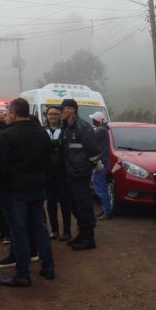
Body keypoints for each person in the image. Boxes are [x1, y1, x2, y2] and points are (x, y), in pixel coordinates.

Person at [0, 98, 55, 286]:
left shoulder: (8, 135)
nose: (7, 116)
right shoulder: (42, 133)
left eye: (8, 113)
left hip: (16, 191)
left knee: (19, 232)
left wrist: (0, 190)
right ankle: (48, 267)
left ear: (14, 113)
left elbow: (1, 168)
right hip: (37, 189)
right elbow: (48, 163)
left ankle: (22, 274)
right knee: (40, 228)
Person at [59, 98, 103, 251]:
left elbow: (92, 150)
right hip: (70, 173)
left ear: (71, 110)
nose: (60, 112)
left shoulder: (83, 127)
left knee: (84, 206)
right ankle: (81, 234)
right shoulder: (67, 127)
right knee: (74, 206)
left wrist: (95, 165)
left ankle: (89, 239)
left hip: (80, 174)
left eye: (63, 109)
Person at [43, 106, 65, 238]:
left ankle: (66, 231)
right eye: (50, 114)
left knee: (65, 201)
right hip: (48, 172)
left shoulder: (65, 129)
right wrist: (56, 146)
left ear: (60, 116)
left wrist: (51, 146)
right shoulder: (42, 130)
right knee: (50, 202)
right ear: (47, 116)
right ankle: (54, 229)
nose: (53, 116)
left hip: (63, 171)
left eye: (56, 114)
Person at [89, 111, 112, 220]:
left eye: (93, 119)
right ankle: (104, 209)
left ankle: (107, 211)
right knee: (100, 185)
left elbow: (90, 140)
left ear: (97, 121)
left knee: (100, 187)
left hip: (101, 163)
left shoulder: (101, 130)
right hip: (103, 161)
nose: (92, 121)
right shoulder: (103, 129)